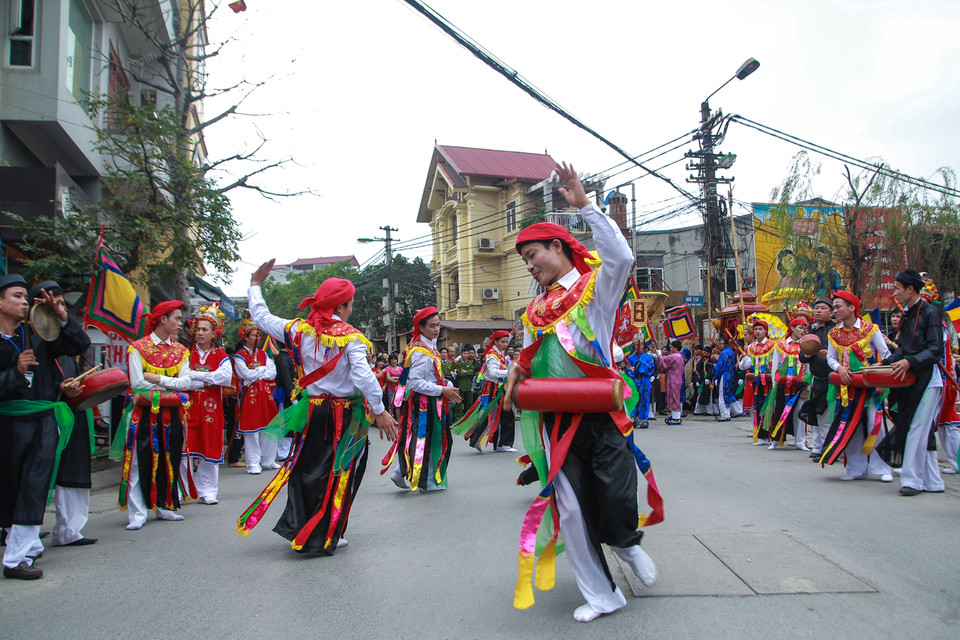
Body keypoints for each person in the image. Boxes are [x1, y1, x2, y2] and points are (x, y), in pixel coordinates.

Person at [502, 162, 660, 623]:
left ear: (558, 246)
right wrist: (515, 369)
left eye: (533, 255)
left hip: (600, 412)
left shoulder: (596, 290)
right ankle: (601, 594)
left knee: (613, 495)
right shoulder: (535, 309)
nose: (530, 266)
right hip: (555, 419)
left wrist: (587, 206)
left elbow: (623, 259)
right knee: (570, 510)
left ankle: (627, 545)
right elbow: (533, 353)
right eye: (525, 260)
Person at [237, 264, 398, 554]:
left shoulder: (297, 330)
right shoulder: (351, 337)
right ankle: (325, 531)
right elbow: (363, 376)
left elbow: (261, 318)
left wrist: (255, 284)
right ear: (342, 305)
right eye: (350, 304)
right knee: (340, 471)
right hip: (343, 416)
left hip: (311, 411)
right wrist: (379, 409)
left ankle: (302, 527)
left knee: (307, 469)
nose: (351, 309)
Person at [1, 275, 90, 580]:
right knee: (11, 488)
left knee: (34, 487)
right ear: (0, 302)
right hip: (8, 422)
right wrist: (16, 372)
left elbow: (79, 343)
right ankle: (19, 545)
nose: (24, 301)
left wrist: (62, 316)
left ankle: (16, 557)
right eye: (16, 296)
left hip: (41, 421)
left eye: (27, 297)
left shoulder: (37, 335)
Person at [116, 300, 193, 530]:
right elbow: (138, 383)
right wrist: (173, 388)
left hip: (171, 416)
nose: (181, 323)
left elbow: (187, 382)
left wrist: (159, 380)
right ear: (162, 319)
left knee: (170, 458)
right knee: (140, 460)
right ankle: (137, 512)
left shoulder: (181, 350)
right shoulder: (138, 348)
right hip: (143, 415)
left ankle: (164, 505)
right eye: (177, 318)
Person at [32, 281, 98, 548]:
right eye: (53, 304)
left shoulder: (61, 335)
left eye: (62, 304)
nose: (59, 309)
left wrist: (61, 316)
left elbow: (82, 342)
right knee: (36, 476)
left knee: (73, 472)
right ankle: (23, 532)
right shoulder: (28, 336)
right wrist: (57, 389)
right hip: (42, 413)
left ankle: (69, 530)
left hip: (71, 410)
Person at [877, 271, 945, 495]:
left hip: (927, 378)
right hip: (911, 376)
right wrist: (885, 363)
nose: (894, 291)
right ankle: (933, 481)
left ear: (911, 289)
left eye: (898, 287)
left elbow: (935, 350)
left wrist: (910, 361)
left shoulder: (930, 312)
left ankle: (911, 480)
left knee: (915, 427)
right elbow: (904, 349)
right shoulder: (907, 314)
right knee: (920, 429)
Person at [820, 291, 893, 483]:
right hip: (847, 387)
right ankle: (856, 468)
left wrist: (878, 371)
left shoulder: (870, 329)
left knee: (875, 424)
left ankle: (882, 468)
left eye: (838, 307)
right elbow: (830, 358)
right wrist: (839, 368)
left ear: (852, 307)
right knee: (849, 426)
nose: (835, 311)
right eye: (834, 307)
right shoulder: (834, 333)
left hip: (870, 386)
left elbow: (886, 355)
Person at [387, 308, 461, 491]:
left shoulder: (429, 346)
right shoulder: (421, 350)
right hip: (424, 403)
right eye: (431, 326)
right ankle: (425, 481)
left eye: (438, 325)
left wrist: (445, 385)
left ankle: (402, 470)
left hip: (432, 400)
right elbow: (416, 382)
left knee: (429, 439)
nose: (436, 329)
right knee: (427, 440)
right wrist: (442, 389)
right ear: (420, 327)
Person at [183, 305, 232, 505]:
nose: (200, 332)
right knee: (184, 449)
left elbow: (225, 377)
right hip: (188, 407)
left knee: (209, 447)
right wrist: (209, 379)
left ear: (214, 333)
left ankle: (208, 490)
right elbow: (182, 378)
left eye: (204, 329)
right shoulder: (184, 353)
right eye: (198, 328)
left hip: (211, 409)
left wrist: (197, 378)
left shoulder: (220, 355)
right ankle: (183, 490)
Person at [453, 330, 516, 453]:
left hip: (496, 389)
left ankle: (482, 440)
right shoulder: (492, 356)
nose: (505, 344)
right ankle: (501, 443)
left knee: (495, 416)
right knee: (496, 416)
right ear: (495, 342)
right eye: (502, 342)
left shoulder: (498, 352)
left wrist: (512, 333)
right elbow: (492, 373)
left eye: (506, 342)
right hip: (493, 389)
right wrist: (511, 371)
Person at [233, 319, 279, 475]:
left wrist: (257, 373)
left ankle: (268, 460)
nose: (257, 338)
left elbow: (273, 373)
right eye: (254, 335)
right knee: (251, 431)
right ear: (245, 337)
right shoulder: (239, 356)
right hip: (250, 397)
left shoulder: (263, 354)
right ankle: (253, 462)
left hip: (265, 396)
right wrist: (262, 371)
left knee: (270, 428)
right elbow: (245, 374)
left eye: (259, 334)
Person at [798, 297, 837, 459]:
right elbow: (803, 357)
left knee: (829, 415)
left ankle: (830, 448)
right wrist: (808, 351)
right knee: (818, 414)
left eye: (823, 308)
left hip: (833, 379)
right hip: (817, 378)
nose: (818, 311)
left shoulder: (836, 330)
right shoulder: (811, 333)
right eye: (816, 308)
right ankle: (818, 447)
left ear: (831, 311)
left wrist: (829, 355)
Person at [769, 304, 811, 451]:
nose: (803, 331)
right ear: (792, 328)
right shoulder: (780, 345)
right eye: (800, 327)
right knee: (779, 411)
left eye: (805, 328)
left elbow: (808, 368)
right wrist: (775, 384)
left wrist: (807, 387)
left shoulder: (807, 346)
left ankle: (800, 442)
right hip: (782, 384)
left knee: (800, 413)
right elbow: (775, 366)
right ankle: (775, 440)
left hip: (800, 385)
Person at [739, 320, 776, 445]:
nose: (758, 332)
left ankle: (772, 436)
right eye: (756, 329)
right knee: (758, 407)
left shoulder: (772, 345)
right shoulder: (751, 347)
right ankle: (762, 436)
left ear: (766, 331)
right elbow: (747, 365)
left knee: (770, 408)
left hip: (769, 381)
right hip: (756, 382)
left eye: (761, 329)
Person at [273, 343, 297, 461]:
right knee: (284, 422)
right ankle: (284, 452)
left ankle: (289, 450)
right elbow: (286, 378)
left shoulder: (288, 357)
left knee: (289, 422)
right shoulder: (283, 359)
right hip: (286, 394)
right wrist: (292, 396)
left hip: (291, 392)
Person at [713, 336, 742, 421]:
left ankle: (725, 414)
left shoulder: (724, 353)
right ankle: (737, 410)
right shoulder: (730, 351)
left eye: (718, 345)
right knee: (729, 393)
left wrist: (715, 374)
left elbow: (720, 366)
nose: (717, 346)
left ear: (723, 344)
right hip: (730, 374)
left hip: (724, 375)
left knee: (723, 395)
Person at [658, 340, 685, 425]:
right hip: (675, 379)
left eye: (672, 347)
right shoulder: (679, 356)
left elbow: (664, 360)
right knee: (674, 397)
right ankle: (675, 415)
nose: (671, 349)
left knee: (674, 397)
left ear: (675, 347)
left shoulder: (675, 356)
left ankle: (676, 417)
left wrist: (659, 354)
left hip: (674, 379)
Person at [451, 345, 480, 422]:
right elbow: (459, 374)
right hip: (461, 385)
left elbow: (473, 372)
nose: (466, 355)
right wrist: (467, 372)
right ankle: (458, 418)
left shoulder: (469, 363)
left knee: (469, 403)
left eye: (467, 354)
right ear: (461, 354)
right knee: (459, 403)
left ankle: (468, 417)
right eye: (464, 353)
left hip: (469, 385)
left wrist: (466, 371)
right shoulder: (457, 363)